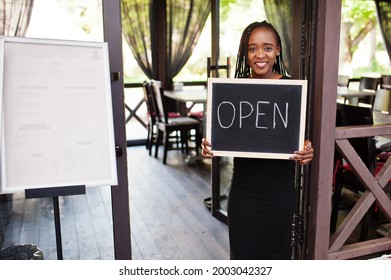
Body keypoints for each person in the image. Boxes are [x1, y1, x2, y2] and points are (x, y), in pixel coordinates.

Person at [201, 21, 314, 260]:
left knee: (277, 258)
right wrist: (209, 145)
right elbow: (219, 136)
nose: (260, 55)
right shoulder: (234, 90)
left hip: (278, 195)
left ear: (278, 50)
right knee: (242, 258)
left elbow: (302, 141)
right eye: (252, 49)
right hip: (243, 194)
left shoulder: (292, 89)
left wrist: (307, 152)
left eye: (267, 48)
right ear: (245, 53)